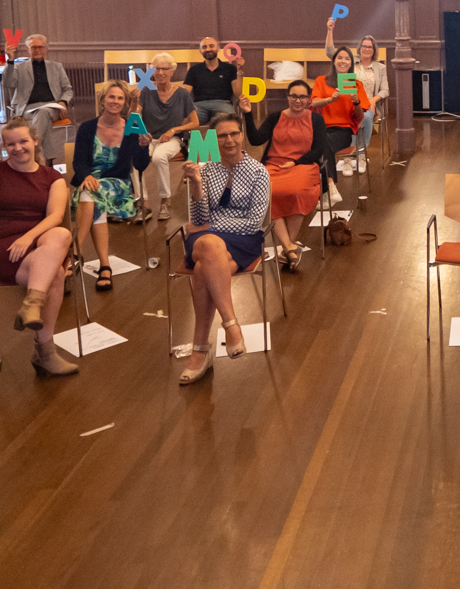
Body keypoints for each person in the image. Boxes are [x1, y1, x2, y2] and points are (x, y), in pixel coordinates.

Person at [0, 119, 79, 377]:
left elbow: (55, 216)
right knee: (54, 275)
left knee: (61, 233)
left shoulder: (52, 178)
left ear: (35, 140)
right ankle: (45, 352)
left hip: (34, 244)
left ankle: (32, 304)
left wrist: (26, 238)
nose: (18, 148)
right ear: (4, 145)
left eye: (23, 141)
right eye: (11, 144)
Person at [175, 115, 271, 385]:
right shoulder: (205, 170)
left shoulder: (258, 172)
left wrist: (210, 225)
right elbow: (197, 216)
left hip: (243, 241)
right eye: (221, 136)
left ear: (242, 136)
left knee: (205, 267)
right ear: (213, 141)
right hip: (207, 240)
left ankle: (199, 351)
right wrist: (195, 183)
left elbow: (254, 222)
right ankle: (231, 325)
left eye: (234, 134)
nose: (229, 140)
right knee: (207, 243)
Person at [70, 80, 153, 292]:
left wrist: (144, 147)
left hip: (118, 185)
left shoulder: (132, 127)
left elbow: (141, 166)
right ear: (103, 99)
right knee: (91, 195)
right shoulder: (87, 128)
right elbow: (78, 161)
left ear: (125, 103)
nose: (115, 101)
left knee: (90, 195)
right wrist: (86, 175)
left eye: (120, 98)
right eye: (111, 97)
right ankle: (104, 266)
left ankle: (74, 251)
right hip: (89, 182)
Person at [246, 81, 328, 271]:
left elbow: (318, 150)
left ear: (308, 99)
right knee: (268, 191)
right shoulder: (276, 117)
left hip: (303, 166)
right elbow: (256, 139)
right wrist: (248, 114)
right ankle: (289, 248)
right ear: (288, 96)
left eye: (302, 97)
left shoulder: (316, 120)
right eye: (294, 96)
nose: (297, 100)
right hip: (274, 165)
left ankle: (287, 245)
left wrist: (296, 163)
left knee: (297, 191)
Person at [320, 24, 389, 173]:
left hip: (368, 102)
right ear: (359, 48)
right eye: (364, 46)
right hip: (346, 102)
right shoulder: (351, 61)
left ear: (374, 50)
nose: (367, 49)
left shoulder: (380, 68)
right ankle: (346, 158)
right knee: (347, 119)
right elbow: (330, 52)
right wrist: (330, 30)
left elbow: (385, 90)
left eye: (370, 47)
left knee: (365, 117)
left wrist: (373, 100)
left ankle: (361, 155)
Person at [309, 46, 371, 206]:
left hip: (344, 130)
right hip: (322, 128)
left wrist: (356, 102)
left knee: (320, 145)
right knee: (321, 142)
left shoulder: (355, 84)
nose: (343, 61)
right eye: (340, 58)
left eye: (347, 58)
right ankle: (330, 189)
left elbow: (359, 117)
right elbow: (313, 102)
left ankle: (328, 189)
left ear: (351, 63)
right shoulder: (321, 81)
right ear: (334, 61)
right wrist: (330, 99)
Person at [140, 52, 198, 220]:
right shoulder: (146, 90)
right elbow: (135, 116)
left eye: (164, 69)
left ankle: (165, 200)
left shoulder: (182, 94)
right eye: (156, 69)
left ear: (172, 72)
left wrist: (174, 130)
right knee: (135, 159)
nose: (160, 72)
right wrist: (142, 130)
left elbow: (194, 122)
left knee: (159, 157)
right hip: (149, 137)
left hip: (172, 138)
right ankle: (143, 203)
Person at [3, 34, 73, 151]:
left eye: (40, 47)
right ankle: (43, 157)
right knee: (41, 121)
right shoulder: (19, 67)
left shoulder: (56, 67)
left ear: (45, 48)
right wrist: (10, 60)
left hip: (51, 107)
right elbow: (8, 83)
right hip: (27, 109)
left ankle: (32, 150)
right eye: (33, 47)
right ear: (28, 49)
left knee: (42, 113)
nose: (37, 50)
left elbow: (67, 89)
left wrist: (63, 101)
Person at [185, 36, 242, 128]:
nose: (208, 49)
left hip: (223, 104)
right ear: (200, 51)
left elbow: (238, 93)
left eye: (211, 46)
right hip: (199, 105)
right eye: (204, 47)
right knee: (186, 120)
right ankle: (186, 142)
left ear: (218, 48)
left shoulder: (230, 69)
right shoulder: (194, 70)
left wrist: (240, 70)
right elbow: (185, 91)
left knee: (227, 122)